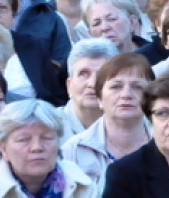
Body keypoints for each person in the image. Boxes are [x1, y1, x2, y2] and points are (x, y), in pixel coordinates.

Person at [61, 51, 153, 184]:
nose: (126, 94)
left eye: (137, 87)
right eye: (116, 87)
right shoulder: (73, 150)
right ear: (99, 98)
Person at [61, 37, 118, 141]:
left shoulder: (136, 125)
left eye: (102, 74)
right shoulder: (48, 127)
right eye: (84, 74)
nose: (92, 84)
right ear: (69, 85)